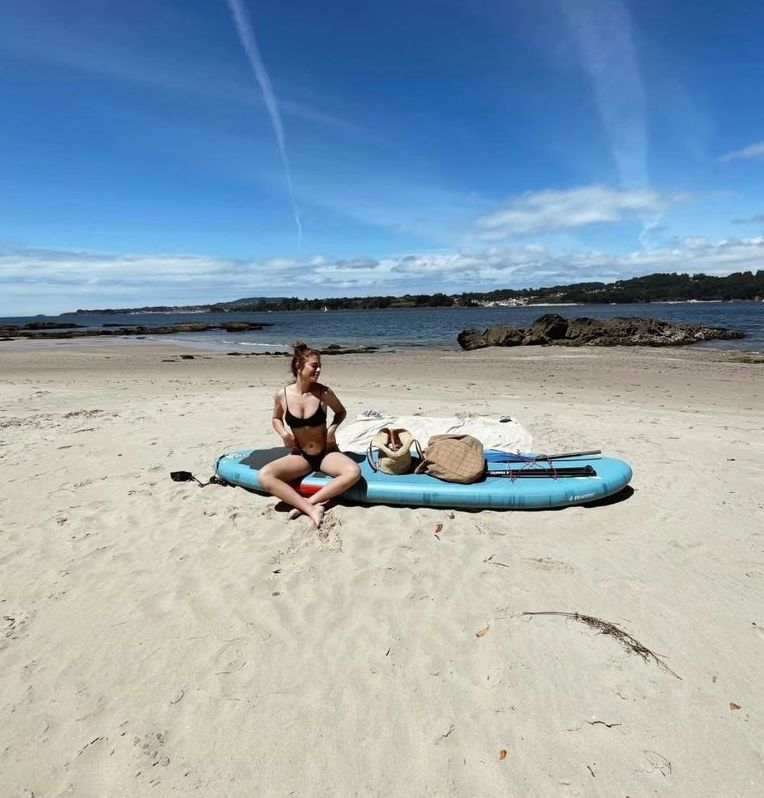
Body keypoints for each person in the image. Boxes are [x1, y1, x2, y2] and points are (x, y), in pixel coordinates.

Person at [258, 342, 361, 528]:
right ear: (299, 366)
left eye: (320, 366)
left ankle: (309, 504)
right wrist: (283, 434)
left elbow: (341, 412)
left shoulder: (324, 392)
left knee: (353, 472)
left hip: (326, 454)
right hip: (301, 456)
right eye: (314, 365)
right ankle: (310, 507)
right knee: (265, 476)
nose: (319, 369)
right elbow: (276, 419)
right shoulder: (282, 395)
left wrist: (332, 429)